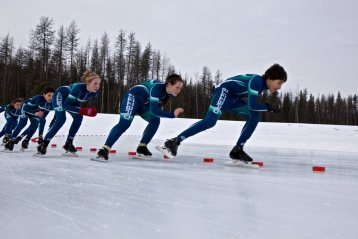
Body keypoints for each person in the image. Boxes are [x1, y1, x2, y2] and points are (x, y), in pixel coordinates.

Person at [160, 64, 287, 162]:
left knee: (254, 115)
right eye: (279, 83)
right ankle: (174, 141)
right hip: (224, 93)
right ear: (270, 78)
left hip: (232, 98)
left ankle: (238, 149)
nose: (279, 87)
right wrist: (268, 107)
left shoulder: (261, 86)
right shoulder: (258, 81)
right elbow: (252, 105)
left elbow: (242, 91)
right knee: (210, 121)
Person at [96, 74, 184, 161]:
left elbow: (154, 109)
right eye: (177, 87)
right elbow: (155, 111)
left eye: (180, 88)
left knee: (155, 120)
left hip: (143, 103)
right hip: (133, 97)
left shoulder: (166, 94)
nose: (179, 90)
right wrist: (172, 115)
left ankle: (142, 147)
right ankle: (104, 149)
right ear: (169, 84)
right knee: (125, 124)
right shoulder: (157, 88)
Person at [36, 70, 100, 156]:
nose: (97, 86)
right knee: (61, 120)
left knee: (79, 118)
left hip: (72, 100)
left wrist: (87, 111)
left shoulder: (94, 93)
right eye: (95, 83)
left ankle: (68, 143)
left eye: (99, 84)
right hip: (60, 95)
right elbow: (65, 105)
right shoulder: (78, 88)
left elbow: (74, 102)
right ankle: (44, 143)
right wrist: (83, 111)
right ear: (88, 83)